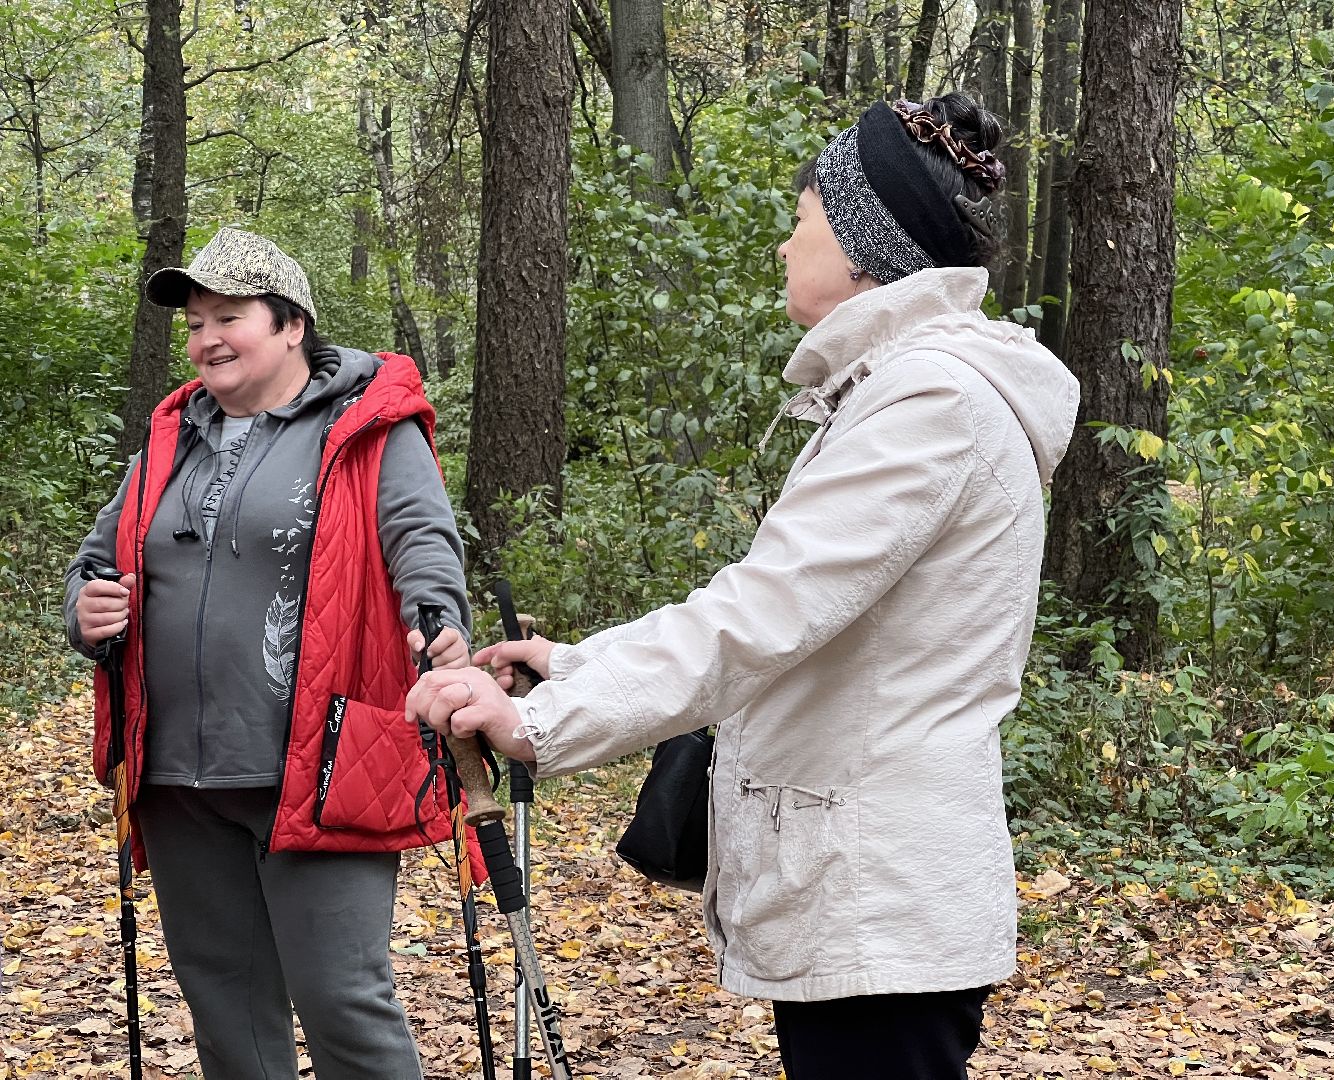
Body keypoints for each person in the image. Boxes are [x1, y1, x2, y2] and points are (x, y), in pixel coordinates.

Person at [409, 93, 1080, 1079]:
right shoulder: (907, 392)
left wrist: (543, 726)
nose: (783, 244)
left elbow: (762, 617)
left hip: (878, 906)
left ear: (860, 247)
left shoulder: (930, 401)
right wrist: (567, 665)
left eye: (799, 217)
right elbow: (804, 612)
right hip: (867, 904)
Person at [65, 226, 473, 1080]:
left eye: (229, 315)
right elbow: (100, 559)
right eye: (195, 321)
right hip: (177, 773)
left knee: (342, 1003)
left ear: (292, 324)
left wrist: (438, 623)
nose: (207, 337)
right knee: (226, 1010)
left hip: (319, 762)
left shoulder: (369, 427)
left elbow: (421, 543)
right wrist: (86, 607)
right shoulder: (172, 437)